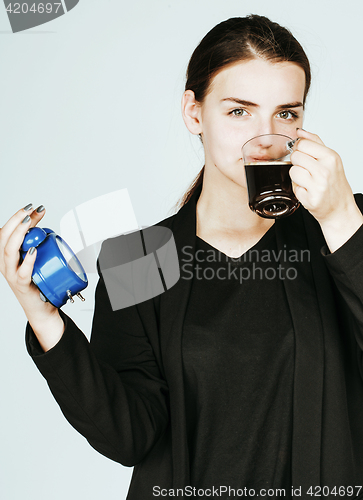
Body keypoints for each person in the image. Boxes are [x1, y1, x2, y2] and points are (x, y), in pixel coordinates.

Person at [1, 14, 363, 500]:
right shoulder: (139, 258)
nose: (266, 137)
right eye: (239, 111)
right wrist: (46, 321)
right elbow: (130, 436)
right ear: (194, 113)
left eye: (287, 114)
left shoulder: (344, 228)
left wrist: (341, 220)